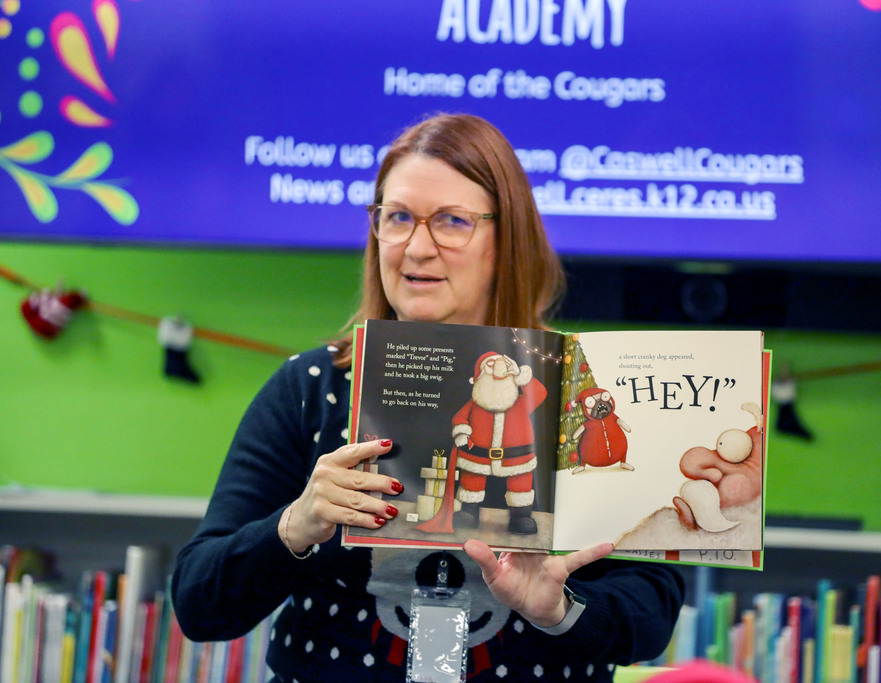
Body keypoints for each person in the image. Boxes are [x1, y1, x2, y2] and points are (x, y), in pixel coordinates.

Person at [171, 113, 687, 682]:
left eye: (452, 222)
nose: (416, 247)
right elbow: (199, 605)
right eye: (397, 218)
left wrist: (559, 611)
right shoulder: (313, 387)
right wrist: (296, 525)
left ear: (506, 239)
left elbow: (652, 617)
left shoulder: (582, 393)